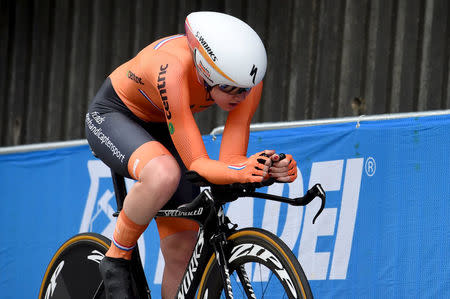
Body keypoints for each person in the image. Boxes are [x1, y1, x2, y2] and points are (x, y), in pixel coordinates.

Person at [85, 11, 298, 299]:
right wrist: (240, 171)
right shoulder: (172, 69)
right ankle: (116, 259)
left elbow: (230, 160)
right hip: (115, 115)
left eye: (245, 90)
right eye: (229, 88)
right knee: (163, 173)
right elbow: (198, 162)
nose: (240, 97)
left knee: (183, 252)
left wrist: (260, 168)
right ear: (205, 71)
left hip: (165, 123)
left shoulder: (249, 80)